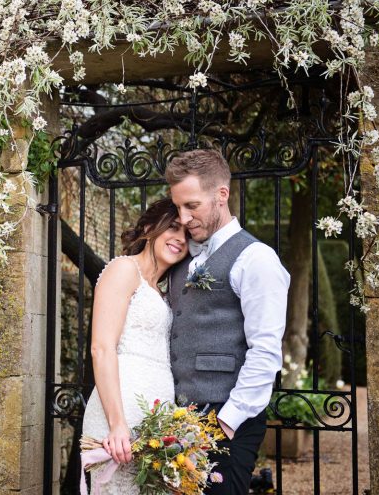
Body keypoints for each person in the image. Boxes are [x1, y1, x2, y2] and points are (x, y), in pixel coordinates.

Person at [165, 149, 290, 495]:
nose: (184, 217)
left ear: (222, 195)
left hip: (227, 417)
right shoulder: (180, 259)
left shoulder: (256, 259)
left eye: (192, 205)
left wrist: (227, 421)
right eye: (178, 207)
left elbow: (265, 350)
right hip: (179, 419)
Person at [81, 198, 188, 494]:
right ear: (150, 227)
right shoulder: (124, 270)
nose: (180, 239)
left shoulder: (164, 290)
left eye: (187, 235)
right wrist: (117, 424)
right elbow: (102, 348)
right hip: (121, 416)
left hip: (156, 421)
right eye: (174, 228)